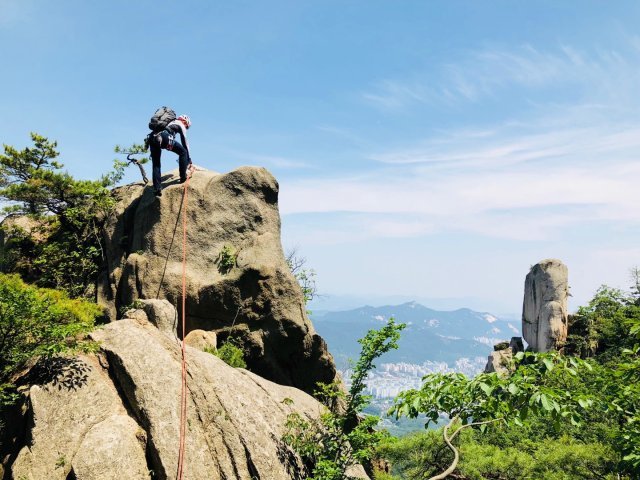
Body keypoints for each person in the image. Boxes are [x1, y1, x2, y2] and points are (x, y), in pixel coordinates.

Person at [148, 114, 193, 196]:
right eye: (187, 126)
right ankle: (183, 177)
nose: (186, 128)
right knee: (183, 152)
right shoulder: (180, 124)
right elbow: (185, 143)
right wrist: (189, 159)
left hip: (152, 138)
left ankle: (157, 188)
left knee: (156, 164)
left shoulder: (168, 122)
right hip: (164, 137)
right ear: (185, 121)